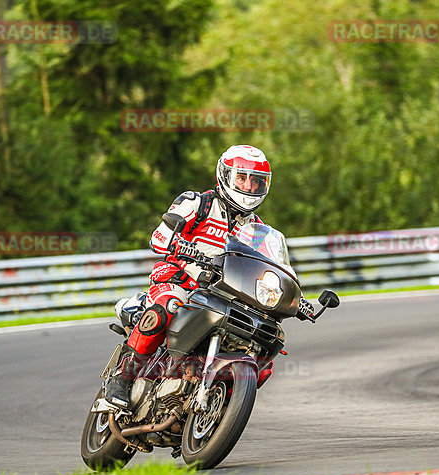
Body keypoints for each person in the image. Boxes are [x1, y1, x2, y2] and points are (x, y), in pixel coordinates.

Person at [104, 145, 304, 408]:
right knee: (166, 308)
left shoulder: (260, 230)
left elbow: (271, 268)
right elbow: (159, 236)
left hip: (223, 293)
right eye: (241, 178)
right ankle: (123, 377)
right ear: (225, 176)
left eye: (256, 181)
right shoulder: (197, 203)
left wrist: (294, 298)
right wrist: (178, 246)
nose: (249, 186)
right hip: (178, 279)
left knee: (264, 360)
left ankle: (217, 410)